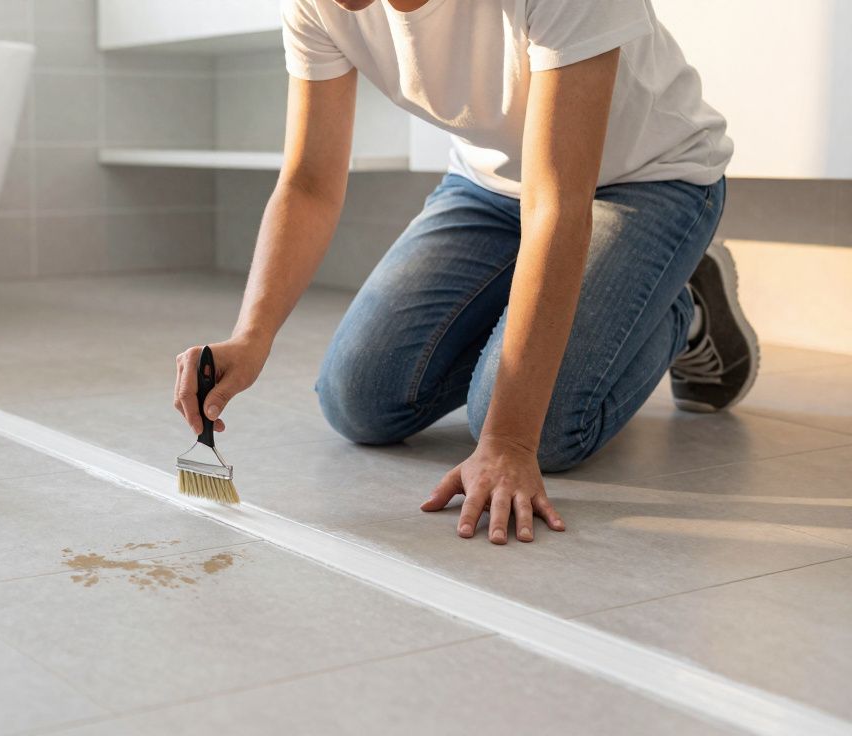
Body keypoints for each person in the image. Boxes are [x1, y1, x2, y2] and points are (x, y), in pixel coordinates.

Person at [172, 0, 758, 544]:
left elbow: (559, 206)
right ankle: (551, 311)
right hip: (491, 187)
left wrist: (508, 438)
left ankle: (680, 301)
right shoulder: (319, 6)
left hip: (644, 182)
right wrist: (252, 335)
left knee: (545, 430)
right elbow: (309, 183)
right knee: (360, 399)